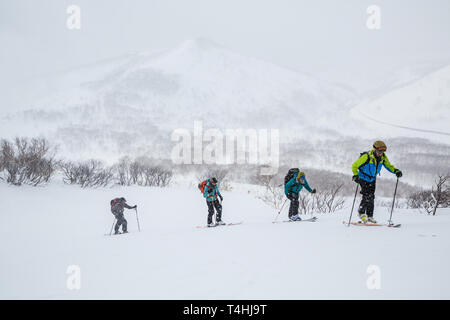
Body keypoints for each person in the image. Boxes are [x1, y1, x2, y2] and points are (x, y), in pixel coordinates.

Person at [351, 140, 402, 223]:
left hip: (372, 179)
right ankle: (361, 213)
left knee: (371, 197)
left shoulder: (383, 158)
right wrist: (356, 175)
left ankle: (370, 216)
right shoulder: (367, 157)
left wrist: (396, 171)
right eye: (379, 151)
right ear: (374, 149)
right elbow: (354, 166)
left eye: (382, 152)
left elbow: (389, 166)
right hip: (363, 178)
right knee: (366, 195)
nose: (381, 153)